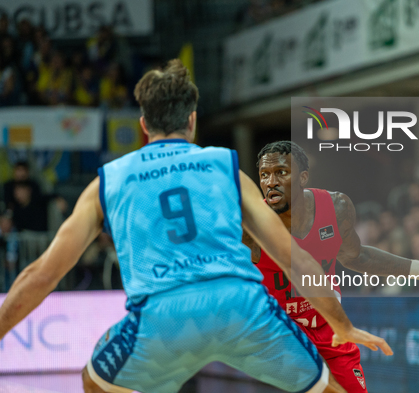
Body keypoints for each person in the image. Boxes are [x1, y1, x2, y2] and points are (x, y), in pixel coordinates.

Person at [0, 60, 391, 393]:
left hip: (163, 313)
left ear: (143, 124)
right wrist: (343, 325)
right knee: (328, 389)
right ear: (192, 119)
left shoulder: (109, 180)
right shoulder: (226, 167)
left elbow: (43, 274)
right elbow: (295, 259)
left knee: (94, 380)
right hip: (241, 307)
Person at [243, 141, 419, 393]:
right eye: (264, 175)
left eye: (281, 173)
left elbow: (357, 257)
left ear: (303, 177)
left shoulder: (336, 207)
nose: (271, 182)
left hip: (329, 322)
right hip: (280, 329)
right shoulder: (249, 225)